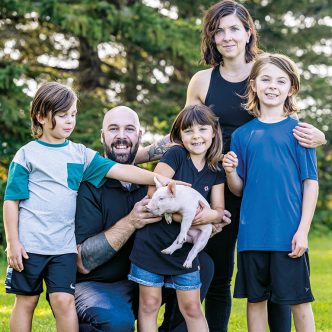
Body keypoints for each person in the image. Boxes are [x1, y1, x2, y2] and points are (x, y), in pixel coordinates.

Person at [135, 1, 326, 331]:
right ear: (211, 37)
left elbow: (288, 123)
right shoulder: (202, 81)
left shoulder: (266, 73)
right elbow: (181, 133)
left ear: (248, 32)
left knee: (273, 279)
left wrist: (319, 135)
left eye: (234, 28)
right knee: (220, 275)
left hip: (263, 194)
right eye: (218, 30)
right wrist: (137, 155)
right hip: (216, 188)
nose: (227, 37)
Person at [3, 82, 172, 332]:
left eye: (73, 114)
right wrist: (13, 241)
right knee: (26, 301)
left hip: (63, 249)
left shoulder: (80, 154)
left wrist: (163, 180)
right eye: (62, 115)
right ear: (40, 116)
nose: (70, 121)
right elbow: (11, 201)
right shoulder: (27, 155)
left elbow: (122, 169)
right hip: (31, 245)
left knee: (64, 301)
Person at [74, 105, 219, 332]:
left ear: (140, 136)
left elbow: (191, 134)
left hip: (146, 270)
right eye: (113, 129)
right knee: (116, 323)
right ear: (102, 136)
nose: (121, 136)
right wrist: (131, 221)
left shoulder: (153, 182)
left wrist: (206, 219)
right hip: (99, 285)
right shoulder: (89, 186)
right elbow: (82, 262)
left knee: (204, 266)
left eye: (129, 129)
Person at [223, 52, 318, 332]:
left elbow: (310, 183)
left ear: (291, 88)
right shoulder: (242, 135)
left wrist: (303, 230)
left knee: (299, 302)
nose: (272, 86)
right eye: (265, 79)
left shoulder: (300, 132)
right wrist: (230, 172)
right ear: (253, 85)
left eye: (280, 81)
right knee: (256, 301)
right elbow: (238, 189)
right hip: (252, 236)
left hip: (288, 235)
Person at [129, 104, 228, 332]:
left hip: (185, 251)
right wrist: (190, 216)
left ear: (213, 132)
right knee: (149, 304)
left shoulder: (215, 169)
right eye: (188, 131)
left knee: (192, 307)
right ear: (179, 135)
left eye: (202, 129)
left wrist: (211, 216)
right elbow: (154, 196)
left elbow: (219, 209)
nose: (196, 136)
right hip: (153, 243)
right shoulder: (175, 154)